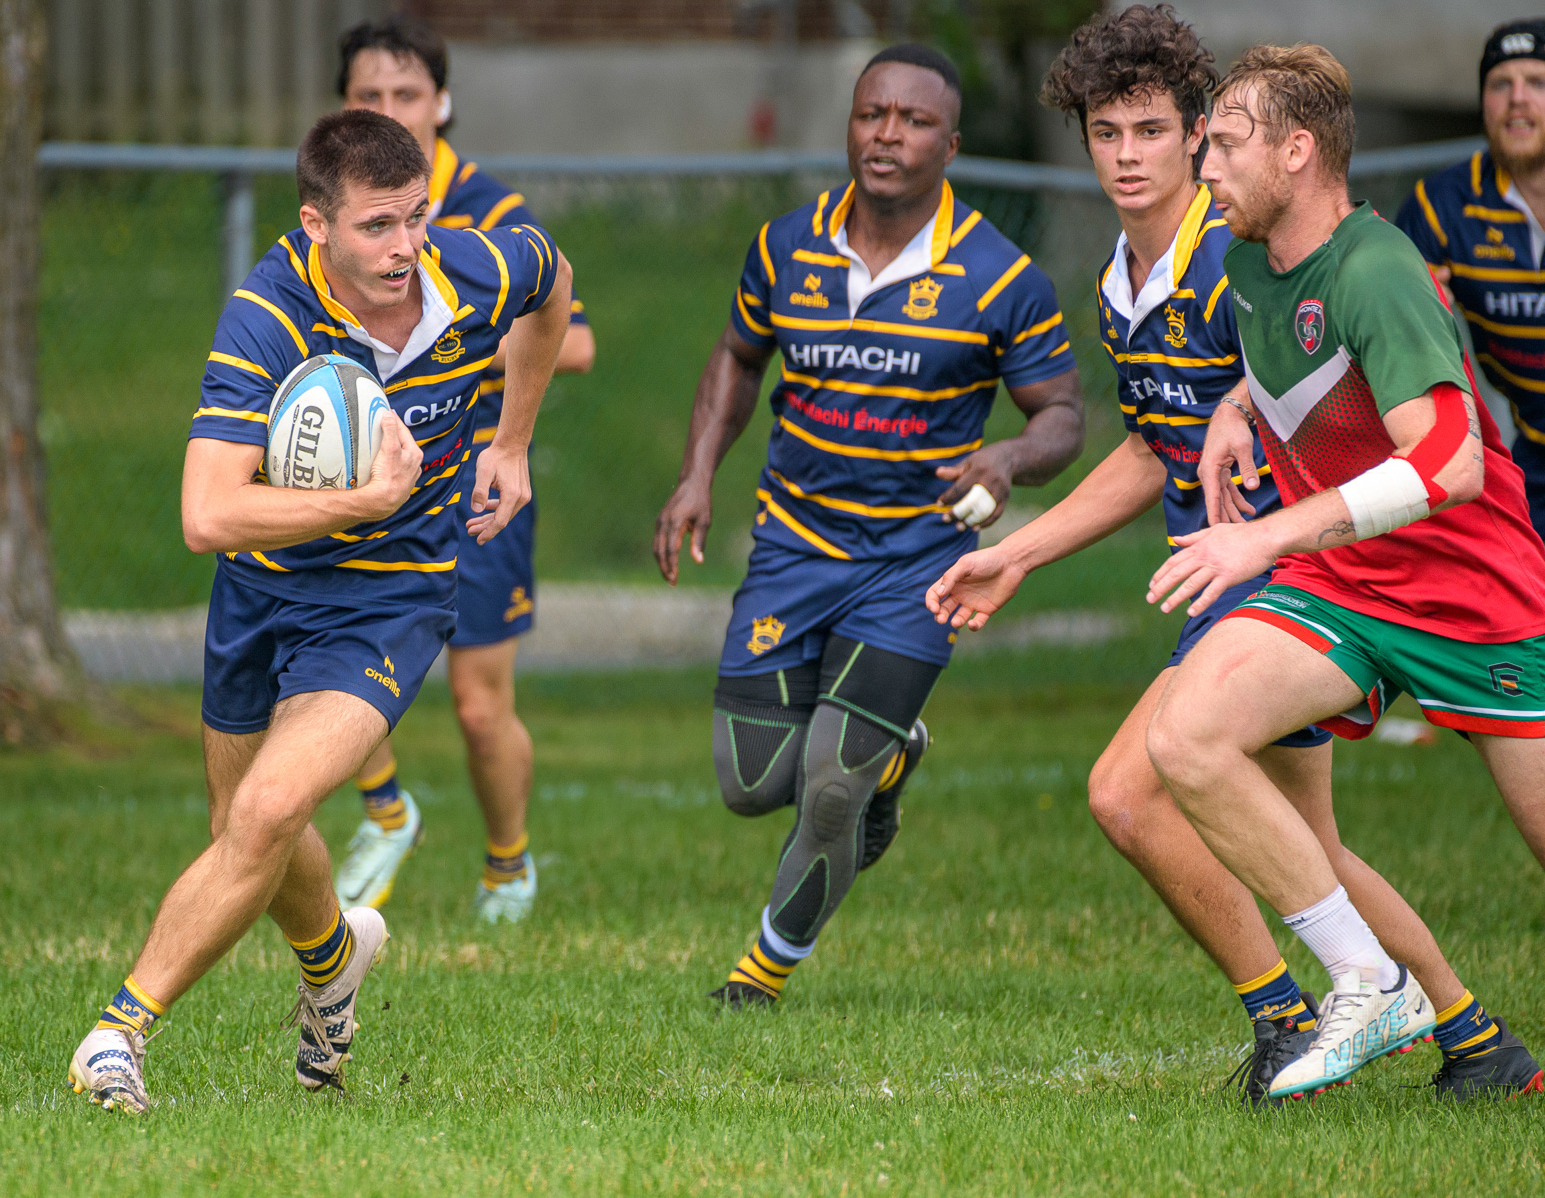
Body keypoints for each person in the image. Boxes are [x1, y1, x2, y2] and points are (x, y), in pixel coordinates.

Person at [928, 4, 1539, 1106]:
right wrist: (1033, 545)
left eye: (1172, 133)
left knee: (1236, 814)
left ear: (1258, 143)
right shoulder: (1185, 273)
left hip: (1412, 578)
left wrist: (1248, 460)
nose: (1146, 155)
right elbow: (1165, 433)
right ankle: (1389, 1006)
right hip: (1315, 580)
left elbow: (1426, 434)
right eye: (1108, 133)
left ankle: (1420, 1027)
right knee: (1195, 776)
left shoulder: (1299, 255)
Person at [65, 109, 574, 1112]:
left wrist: (511, 439)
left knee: (265, 808)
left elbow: (552, 284)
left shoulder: (475, 270)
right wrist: (363, 498)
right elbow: (206, 513)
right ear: (316, 227)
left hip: (391, 599)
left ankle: (116, 1034)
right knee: (238, 821)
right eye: (377, 226)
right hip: (261, 589)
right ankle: (334, 964)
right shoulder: (266, 314)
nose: (405, 248)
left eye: (416, 219)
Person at [1141, 43, 1545, 1102]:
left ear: (1298, 151)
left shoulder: (1378, 267)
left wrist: (1264, 537)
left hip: (1478, 597)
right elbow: (1297, 356)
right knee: (1184, 735)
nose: (1202, 162)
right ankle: (1368, 977)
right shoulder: (1244, 263)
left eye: (1223, 143)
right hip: (1345, 581)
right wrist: (1235, 408)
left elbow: (1450, 461)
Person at [655, 44, 1085, 1008]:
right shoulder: (784, 247)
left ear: (952, 144)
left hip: (916, 563)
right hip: (791, 549)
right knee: (752, 781)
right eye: (872, 114)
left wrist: (1010, 459)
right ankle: (896, 750)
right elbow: (736, 357)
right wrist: (695, 477)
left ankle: (758, 977)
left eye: (914, 120)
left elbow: (1062, 413)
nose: (888, 134)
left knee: (832, 789)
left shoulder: (997, 274)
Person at [332, 15, 595, 923]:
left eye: (406, 94)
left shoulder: (488, 210)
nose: (390, 110)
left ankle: (508, 864)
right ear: (345, 105)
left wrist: (444, 353)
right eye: (370, 95)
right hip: (361, 476)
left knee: (479, 707)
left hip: (474, 473)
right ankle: (385, 812)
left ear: (442, 102)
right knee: (318, 653)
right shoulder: (334, 214)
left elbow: (579, 341)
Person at [1395, 19, 1545, 535]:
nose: (1518, 100)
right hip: (1534, 456)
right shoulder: (1442, 208)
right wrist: (1420, 295)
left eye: (1537, 82)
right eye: (1500, 84)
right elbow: (1386, 316)